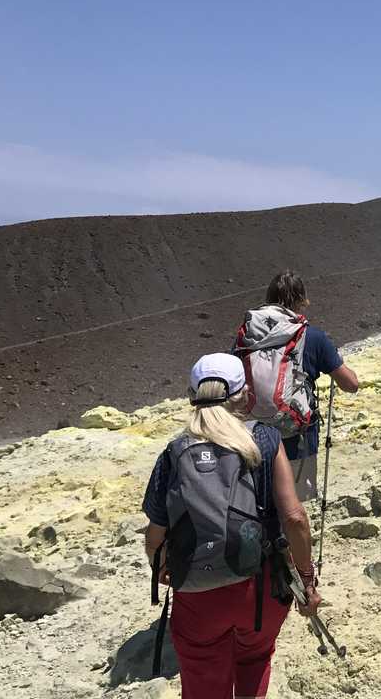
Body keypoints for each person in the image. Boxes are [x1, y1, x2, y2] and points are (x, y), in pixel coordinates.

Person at [143, 353, 321, 699]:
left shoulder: (173, 453)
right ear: (245, 393)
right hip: (261, 588)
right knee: (254, 661)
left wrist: (161, 565)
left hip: (198, 596)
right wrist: (307, 580)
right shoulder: (265, 441)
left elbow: (155, 536)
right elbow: (295, 518)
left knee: (204, 679)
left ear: (191, 396)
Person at [257, 270, 359, 502]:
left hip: (254, 437)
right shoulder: (312, 337)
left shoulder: (248, 337)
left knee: (259, 502)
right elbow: (350, 384)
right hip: (296, 437)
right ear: (302, 301)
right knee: (293, 506)